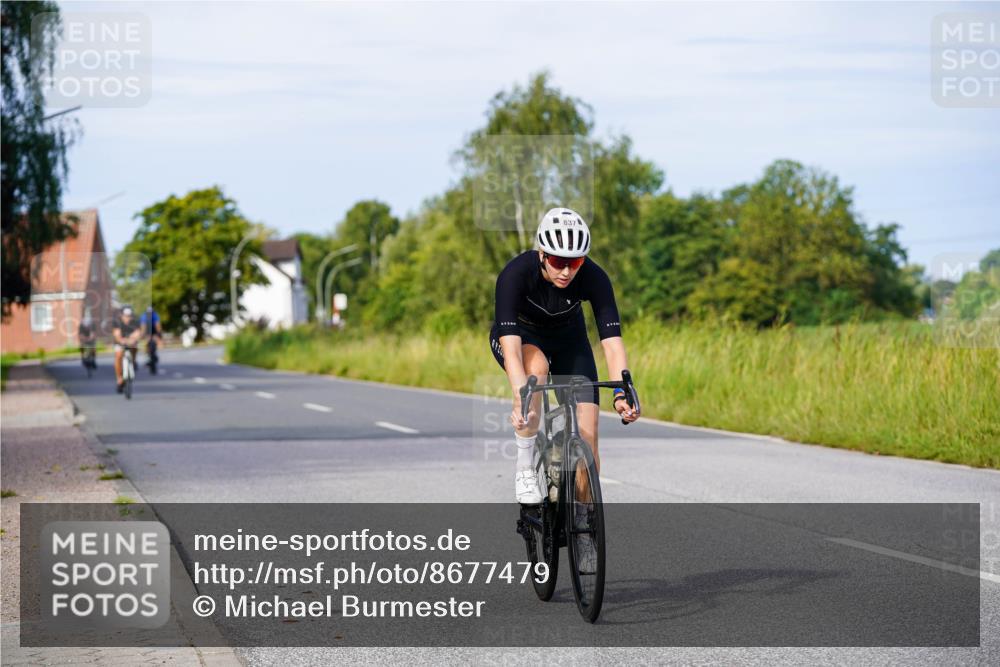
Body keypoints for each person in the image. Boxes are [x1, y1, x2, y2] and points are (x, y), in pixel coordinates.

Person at [490, 207, 641, 505]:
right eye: (559, 261)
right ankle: (525, 467)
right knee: (536, 369)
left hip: (569, 340)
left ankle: (582, 517)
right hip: (522, 336)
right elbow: (511, 348)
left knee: (588, 435)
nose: (566, 271)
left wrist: (622, 393)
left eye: (575, 262)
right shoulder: (515, 274)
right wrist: (520, 395)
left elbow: (612, 344)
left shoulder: (594, 277)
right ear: (542, 254)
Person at [113, 306, 142, 393]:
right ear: (122, 315)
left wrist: (133, 339)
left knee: (135, 348)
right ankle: (119, 378)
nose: (127, 318)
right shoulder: (117, 322)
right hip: (120, 341)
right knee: (118, 356)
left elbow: (138, 332)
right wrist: (122, 340)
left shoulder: (135, 321)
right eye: (126, 316)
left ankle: (133, 361)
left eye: (129, 316)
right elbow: (117, 334)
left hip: (131, 341)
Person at [140, 306, 163, 370]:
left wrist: (159, 335)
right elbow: (143, 326)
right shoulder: (144, 316)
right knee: (146, 342)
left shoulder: (155, 315)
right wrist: (143, 335)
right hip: (147, 330)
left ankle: (154, 354)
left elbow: (157, 325)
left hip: (153, 330)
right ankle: (147, 355)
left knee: (155, 340)